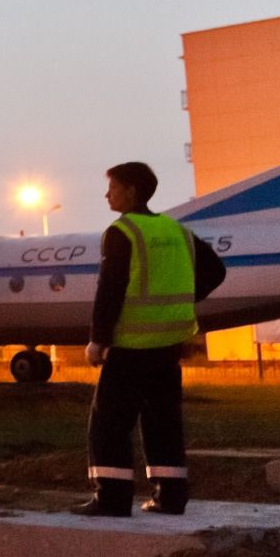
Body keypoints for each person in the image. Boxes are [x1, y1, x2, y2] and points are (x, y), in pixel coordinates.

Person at [76, 161, 226, 517]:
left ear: (131, 191)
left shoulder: (122, 231)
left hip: (131, 347)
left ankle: (111, 499)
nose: (106, 194)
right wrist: (181, 301)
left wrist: (98, 340)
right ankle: (171, 497)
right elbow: (216, 271)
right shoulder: (177, 230)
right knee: (164, 422)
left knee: (109, 425)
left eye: (111, 186)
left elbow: (109, 290)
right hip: (170, 345)